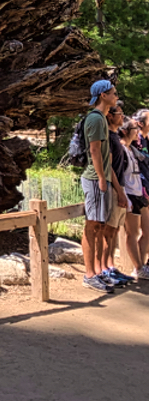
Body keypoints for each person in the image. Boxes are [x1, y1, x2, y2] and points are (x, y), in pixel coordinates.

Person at [80, 80, 120, 292]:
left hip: (101, 178)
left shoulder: (102, 119)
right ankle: (89, 274)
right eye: (113, 93)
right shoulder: (95, 119)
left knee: (100, 226)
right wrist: (102, 178)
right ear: (103, 95)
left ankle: (97, 271)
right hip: (95, 179)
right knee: (92, 225)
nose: (116, 97)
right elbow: (94, 150)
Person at [104, 106, 135, 286]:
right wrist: (120, 190)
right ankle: (106, 268)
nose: (122, 116)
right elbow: (109, 167)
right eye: (120, 114)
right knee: (109, 230)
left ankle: (111, 266)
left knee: (115, 230)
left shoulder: (114, 136)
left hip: (121, 188)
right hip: (114, 189)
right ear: (110, 116)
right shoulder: (108, 136)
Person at [119, 119, 149, 279]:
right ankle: (138, 267)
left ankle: (141, 266)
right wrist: (124, 195)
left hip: (138, 193)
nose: (137, 130)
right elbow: (120, 175)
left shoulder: (131, 149)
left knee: (142, 231)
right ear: (125, 131)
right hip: (129, 194)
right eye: (134, 128)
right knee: (132, 232)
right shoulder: (121, 149)